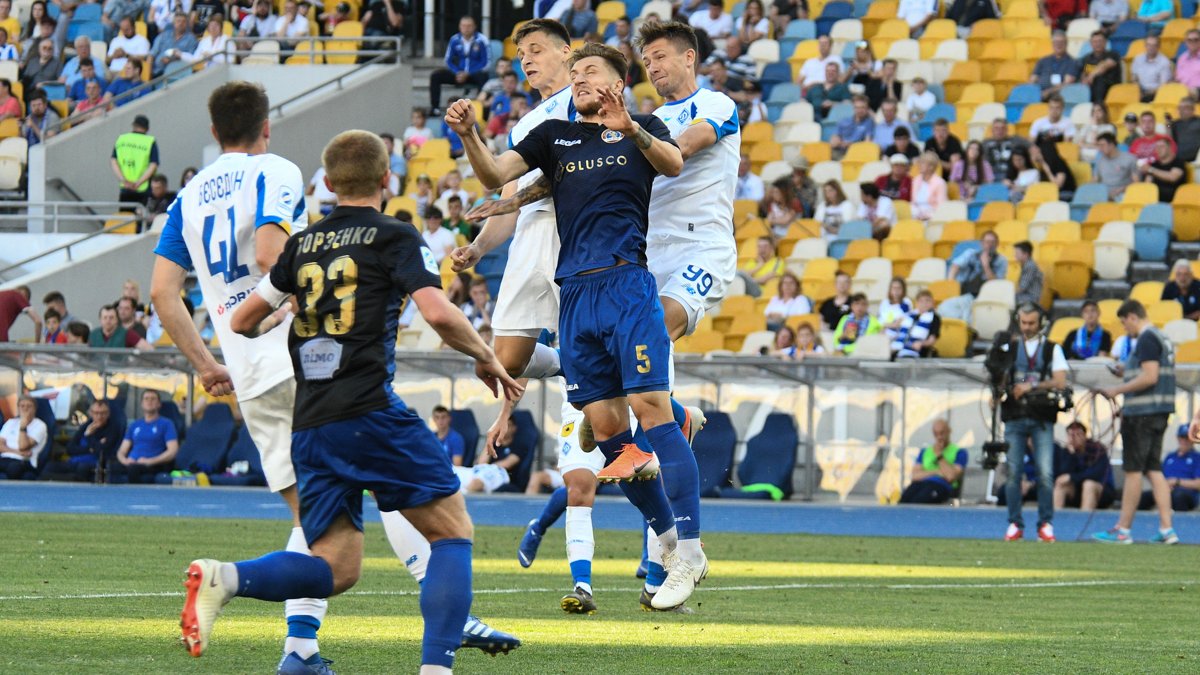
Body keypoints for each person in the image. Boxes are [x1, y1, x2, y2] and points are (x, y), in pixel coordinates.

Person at [155, 84, 520, 664]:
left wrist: (211, 359)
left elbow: (178, 297)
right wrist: (485, 354)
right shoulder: (291, 181)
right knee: (441, 520)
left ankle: (279, 629)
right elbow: (432, 310)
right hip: (334, 378)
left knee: (332, 554)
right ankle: (446, 617)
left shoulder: (195, 198)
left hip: (273, 392)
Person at [445, 39, 708, 612]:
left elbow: (673, 163)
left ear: (617, 82)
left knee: (651, 410)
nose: (579, 78)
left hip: (627, 283)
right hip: (576, 296)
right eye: (576, 72)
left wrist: (630, 127)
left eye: (590, 70)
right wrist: (469, 135)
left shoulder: (643, 127)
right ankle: (668, 542)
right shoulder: (554, 136)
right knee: (612, 437)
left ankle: (689, 549)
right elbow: (495, 174)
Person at [1096, 300, 1179, 545]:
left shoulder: (1146, 338)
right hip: (1160, 411)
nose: (1125, 328)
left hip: (1143, 413)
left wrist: (1117, 389)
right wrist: (1126, 369)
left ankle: (1123, 530)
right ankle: (1167, 529)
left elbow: (1150, 376)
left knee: (1133, 470)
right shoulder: (1162, 337)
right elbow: (1151, 370)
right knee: (1153, 469)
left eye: (1124, 323)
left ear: (1133, 316)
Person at [1001, 303, 1068, 543]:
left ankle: (1045, 523)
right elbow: (999, 377)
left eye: (1031, 323)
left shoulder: (1052, 349)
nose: (1027, 327)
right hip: (1014, 416)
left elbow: (1060, 381)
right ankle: (1014, 523)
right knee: (1013, 473)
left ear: (1041, 323)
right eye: (1023, 322)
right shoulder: (1009, 348)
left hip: (1042, 417)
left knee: (1045, 473)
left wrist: (1032, 386)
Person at [42, 399, 123, 482]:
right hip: (74, 461)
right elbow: (70, 448)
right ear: (91, 413)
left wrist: (89, 436)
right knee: (49, 467)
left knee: (82, 468)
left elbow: (100, 452)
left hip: (94, 464)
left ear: (108, 414)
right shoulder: (87, 425)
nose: (99, 417)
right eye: (96, 413)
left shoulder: (113, 428)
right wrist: (90, 449)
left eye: (103, 413)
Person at [108, 390, 179, 484]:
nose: (149, 401)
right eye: (146, 399)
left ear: (159, 404)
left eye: (153, 399)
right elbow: (121, 451)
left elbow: (172, 451)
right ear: (141, 404)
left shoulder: (166, 424)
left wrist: (149, 461)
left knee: (133, 470)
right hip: (132, 463)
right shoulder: (135, 425)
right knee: (111, 468)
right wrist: (125, 461)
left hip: (153, 464)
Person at [941, 230, 1007, 321]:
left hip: (985, 296)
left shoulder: (1001, 261)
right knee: (944, 308)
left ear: (997, 244)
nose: (990, 245)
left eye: (993, 242)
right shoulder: (971, 254)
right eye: (987, 242)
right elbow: (955, 266)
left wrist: (986, 266)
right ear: (982, 243)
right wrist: (950, 284)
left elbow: (996, 284)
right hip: (966, 292)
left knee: (969, 316)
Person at [428, 16, 490, 112]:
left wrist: (468, 73)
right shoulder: (454, 39)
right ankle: (435, 108)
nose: (466, 28)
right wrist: (457, 72)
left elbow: (486, 62)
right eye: (463, 26)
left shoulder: (482, 40)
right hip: (457, 74)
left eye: (469, 26)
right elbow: (448, 60)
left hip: (474, 74)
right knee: (436, 76)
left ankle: (481, 111)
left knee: (484, 77)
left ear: (474, 27)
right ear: (459, 27)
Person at [1053, 421, 1116, 511]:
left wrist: (1071, 477)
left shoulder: (1097, 449)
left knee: (1088, 484)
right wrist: (1071, 455)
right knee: (1061, 484)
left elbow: (1095, 474)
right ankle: (1055, 516)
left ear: (1084, 436)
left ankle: (1085, 517)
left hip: (1102, 490)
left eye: (1078, 434)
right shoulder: (1067, 451)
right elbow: (1062, 474)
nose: (1074, 438)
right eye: (1071, 435)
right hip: (1078, 490)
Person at [899, 419, 965, 503]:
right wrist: (937, 472)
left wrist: (939, 455)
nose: (939, 437)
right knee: (903, 501)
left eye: (942, 433)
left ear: (949, 431)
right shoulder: (925, 452)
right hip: (920, 484)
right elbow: (914, 475)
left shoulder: (959, 452)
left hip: (941, 485)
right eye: (936, 434)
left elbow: (950, 476)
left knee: (918, 501)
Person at [1144, 425, 1200, 512]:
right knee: (1142, 497)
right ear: (1178, 438)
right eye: (1182, 437)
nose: (1184, 440)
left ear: (1192, 440)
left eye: (1188, 438)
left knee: (1179, 496)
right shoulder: (1170, 457)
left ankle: (1180, 520)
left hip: (1187, 494)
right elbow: (1158, 476)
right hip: (1165, 490)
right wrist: (1164, 485)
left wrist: (1177, 482)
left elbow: (1198, 484)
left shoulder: (1197, 458)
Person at [110, 115, 160, 206]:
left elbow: (114, 161)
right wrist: (138, 182)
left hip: (125, 187)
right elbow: (153, 165)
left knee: (125, 214)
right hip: (143, 187)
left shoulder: (122, 139)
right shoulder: (150, 141)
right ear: (147, 128)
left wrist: (123, 180)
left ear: (133, 125)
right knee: (142, 213)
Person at [0, 396, 48, 479]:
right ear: (18, 408)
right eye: (22, 406)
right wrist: (17, 452)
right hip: (4, 459)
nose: (25, 409)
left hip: (24, 461)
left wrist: (23, 426)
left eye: (29, 406)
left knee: (14, 468)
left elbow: (23, 446)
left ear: (35, 409)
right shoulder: (11, 422)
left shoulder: (40, 425)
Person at [1031, 31, 1080, 101]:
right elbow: (1032, 80)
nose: (1059, 45)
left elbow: (1067, 85)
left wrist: (1048, 92)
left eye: (1061, 42)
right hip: (1039, 95)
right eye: (1056, 42)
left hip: (1060, 98)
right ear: (1052, 44)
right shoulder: (1042, 61)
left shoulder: (1072, 62)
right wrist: (1035, 93)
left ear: (1066, 44)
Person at [891, 289, 940, 359]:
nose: (924, 304)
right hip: (897, 348)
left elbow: (931, 340)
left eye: (927, 301)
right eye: (921, 301)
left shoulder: (934, 318)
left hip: (914, 352)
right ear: (917, 303)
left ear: (932, 303)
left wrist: (921, 343)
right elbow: (898, 330)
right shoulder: (909, 315)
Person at [149, 12, 197, 77]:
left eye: (184, 22)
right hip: (157, 72)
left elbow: (190, 58)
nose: (181, 23)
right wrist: (149, 73)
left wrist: (172, 60)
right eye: (178, 21)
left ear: (187, 24)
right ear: (173, 23)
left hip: (176, 73)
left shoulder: (191, 39)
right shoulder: (163, 35)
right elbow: (151, 54)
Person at [1092, 131, 1137, 200]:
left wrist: (1122, 189)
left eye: (1102, 145)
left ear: (1111, 145)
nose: (1100, 149)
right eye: (1098, 146)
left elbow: (1136, 182)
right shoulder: (1100, 160)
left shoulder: (1130, 158)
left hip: (1123, 194)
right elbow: (1095, 179)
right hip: (1104, 194)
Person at [1140, 136, 1186, 203]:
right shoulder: (1154, 165)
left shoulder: (1178, 162)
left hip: (1175, 200)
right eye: (1156, 147)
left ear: (1170, 148)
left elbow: (1173, 177)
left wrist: (1151, 170)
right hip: (1154, 201)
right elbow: (1147, 185)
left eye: (1162, 146)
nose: (1158, 149)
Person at [1080, 32, 1121, 106]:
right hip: (1091, 89)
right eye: (1095, 41)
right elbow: (1083, 73)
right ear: (1091, 43)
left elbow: (1105, 65)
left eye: (1100, 41)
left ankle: (1098, 106)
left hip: (1110, 89)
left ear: (1105, 42)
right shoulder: (1086, 59)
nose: (1098, 44)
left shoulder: (1113, 55)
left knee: (1099, 80)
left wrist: (1091, 76)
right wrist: (1084, 80)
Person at [1130, 34, 1172, 103]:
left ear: (1158, 47)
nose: (1151, 48)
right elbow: (1134, 77)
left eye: (1154, 45)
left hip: (1155, 94)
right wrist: (1138, 91)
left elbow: (1163, 85)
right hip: (1139, 91)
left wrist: (1147, 94)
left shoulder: (1164, 62)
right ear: (1145, 46)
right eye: (1148, 45)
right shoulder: (1138, 59)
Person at [910, 151, 947, 221]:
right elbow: (913, 202)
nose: (919, 165)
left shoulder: (940, 183)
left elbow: (941, 206)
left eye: (923, 163)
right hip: (916, 214)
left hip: (933, 216)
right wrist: (916, 214)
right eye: (920, 162)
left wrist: (927, 216)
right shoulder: (916, 180)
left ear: (931, 167)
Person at [1168, 97, 1200, 164]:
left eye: (1186, 108)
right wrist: (1168, 126)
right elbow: (1172, 141)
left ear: (1193, 109)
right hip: (1179, 160)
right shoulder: (1174, 124)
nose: (1182, 110)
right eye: (1180, 108)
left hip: (1196, 159)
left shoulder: (1198, 121)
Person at [1012, 240, 1043, 306]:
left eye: (1017, 253)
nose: (1015, 255)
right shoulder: (1027, 265)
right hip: (1025, 296)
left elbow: (1022, 287)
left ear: (1025, 254)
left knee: (1007, 299)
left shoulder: (1030, 266)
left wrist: (1008, 294)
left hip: (1030, 298)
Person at [1178, 30, 1200, 100]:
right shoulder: (1182, 58)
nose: (1193, 42)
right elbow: (1178, 79)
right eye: (1189, 40)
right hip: (1183, 93)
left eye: (1196, 40)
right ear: (1185, 42)